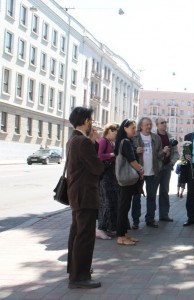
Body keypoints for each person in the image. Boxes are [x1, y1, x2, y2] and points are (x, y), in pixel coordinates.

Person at [66, 107, 104, 289]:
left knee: (76, 233)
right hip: (85, 195)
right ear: (86, 121)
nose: (92, 124)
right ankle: (80, 276)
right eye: (91, 120)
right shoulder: (83, 142)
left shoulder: (72, 139)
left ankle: (74, 271)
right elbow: (97, 168)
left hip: (76, 194)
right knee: (85, 236)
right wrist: (94, 143)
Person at [130, 117, 164, 229]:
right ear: (140, 126)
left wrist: (163, 152)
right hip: (139, 172)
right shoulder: (134, 137)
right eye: (146, 125)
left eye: (150, 124)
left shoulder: (156, 137)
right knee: (136, 197)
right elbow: (128, 152)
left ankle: (150, 219)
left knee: (152, 197)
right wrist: (135, 150)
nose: (149, 126)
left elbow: (159, 154)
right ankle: (135, 221)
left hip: (153, 172)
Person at [114, 119, 144, 246]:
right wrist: (140, 170)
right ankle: (120, 236)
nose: (134, 130)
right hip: (126, 179)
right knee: (123, 207)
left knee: (125, 207)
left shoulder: (124, 141)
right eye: (132, 127)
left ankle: (124, 233)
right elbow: (131, 160)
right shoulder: (125, 142)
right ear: (125, 128)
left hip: (126, 180)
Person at [97, 123, 119, 238]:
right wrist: (112, 154)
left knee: (111, 201)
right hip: (105, 175)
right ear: (109, 130)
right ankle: (101, 228)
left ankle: (108, 227)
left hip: (111, 174)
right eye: (115, 131)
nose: (116, 133)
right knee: (105, 201)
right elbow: (100, 155)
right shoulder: (103, 141)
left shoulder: (112, 142)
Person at [155, 117, 179, 221]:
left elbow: (176, 153)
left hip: (167, 167)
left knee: (164, 191)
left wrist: (172, 162)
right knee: (152, 192)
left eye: (165, 122)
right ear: (157, 125)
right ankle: (150, 217)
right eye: (162, 123)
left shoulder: (170, 137)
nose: (164, 124)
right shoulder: (153, 136)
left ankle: (164, 214)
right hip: (155, 168)